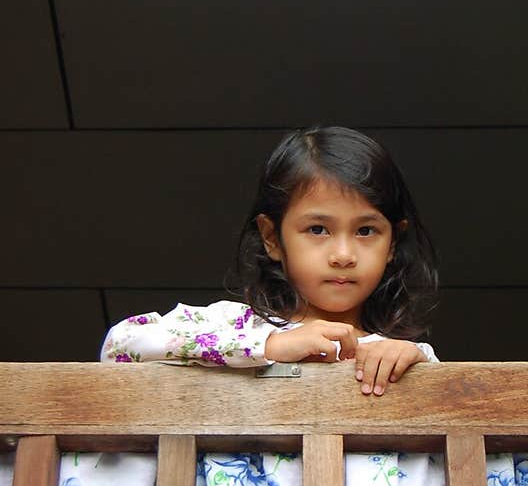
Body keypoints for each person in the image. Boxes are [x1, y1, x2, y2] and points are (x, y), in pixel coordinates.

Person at [100, 125, 440, 395]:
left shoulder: (401, 357)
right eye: (318, 229)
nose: (343, 255)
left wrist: (418, 365)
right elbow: (120, 345)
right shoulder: (236, 327)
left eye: (366, 231)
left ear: (392, 242)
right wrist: (271, 346)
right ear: (272, 238)